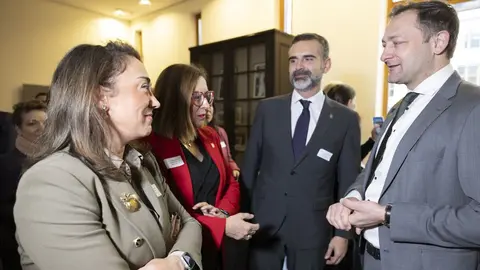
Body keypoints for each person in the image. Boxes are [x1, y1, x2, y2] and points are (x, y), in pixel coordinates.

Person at [13, 41, 202, 270]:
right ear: (100, 97)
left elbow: (190, 224)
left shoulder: (142, 160)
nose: (155, 101)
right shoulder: (51, 181)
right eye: (144, 87)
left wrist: (177, 261)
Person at [326, 1, 480, 270]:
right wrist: (351, 200)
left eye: (396, 43)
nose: (384, 55)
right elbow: (374, 173)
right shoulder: (400, 107)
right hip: (369, 258)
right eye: (384, 44)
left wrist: (388, 215)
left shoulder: (473, 107)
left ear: (438, 42)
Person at [242, 33, 361, 270]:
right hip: (264, 228)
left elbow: (349, 181)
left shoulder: (345, 119)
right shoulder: (268, 110)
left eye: (308, 59)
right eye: (293, 60)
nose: (299, 67)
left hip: (314, 232)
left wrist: (342, 234)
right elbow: (249, 169)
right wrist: (243, 218)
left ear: (325, 64)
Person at [148, 64, 259, 270]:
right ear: (175, 100)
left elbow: (232, 182)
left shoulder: (211, 136)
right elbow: (167, 213)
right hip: (183, 251)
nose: (206, 105)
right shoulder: (153, 147)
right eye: (196, 97)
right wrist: (222, 226)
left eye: (207, 96)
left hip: (221, 248)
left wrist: (222, 213)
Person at [0, 100, 47, 270]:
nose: (42, 128)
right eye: (32, 123)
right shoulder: (5, 165)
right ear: (18, 129)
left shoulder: (60, 160)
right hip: (16, 251)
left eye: (46, 123)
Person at [323, 82, 379, 160]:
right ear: (349, 103)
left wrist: (372, 140)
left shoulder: (321, 122)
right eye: (354, 101)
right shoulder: (350, 124)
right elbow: (352, 159)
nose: (355, 106)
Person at [206, 102, 240, 179]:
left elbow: (228, 158)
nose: (208, 110)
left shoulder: (220, 132)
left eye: (210, 106)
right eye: (204, 107)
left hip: (223, 179)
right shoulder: (194, 134)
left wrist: (234, 168)